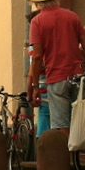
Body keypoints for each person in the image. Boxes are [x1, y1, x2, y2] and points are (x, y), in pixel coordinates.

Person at [26, 0, 85, 135]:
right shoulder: (72, 15)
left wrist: (36, 87)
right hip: (78, 75)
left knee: (62, 125)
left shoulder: (37, 22)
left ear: (36, 3)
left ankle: (64, 158)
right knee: (80, 120)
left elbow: (37, 56)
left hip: (56, 77)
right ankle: (77, 157)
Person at [26, 9, 50, 137]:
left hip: (45, 95)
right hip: (64, 90)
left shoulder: (34, 48)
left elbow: (31, 73)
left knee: (44, 136)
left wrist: (30, 94)